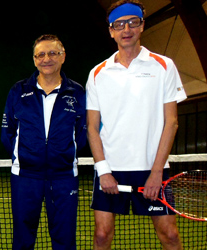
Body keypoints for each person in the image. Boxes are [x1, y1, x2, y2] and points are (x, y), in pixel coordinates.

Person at [86, 1, 187, 249]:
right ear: (111, 31)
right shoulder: (98, 73)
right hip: (111, 169)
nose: (126, 29)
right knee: (101, 235)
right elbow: (92, 127)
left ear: (142, 26)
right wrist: (103, 170)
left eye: (133, 22)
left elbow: (171, 122)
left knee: (170, 236)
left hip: (153, 169)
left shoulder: (164, 66)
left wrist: (156, 172)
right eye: (119, 24)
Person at [1, 34, 86, 250]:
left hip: (64, 177)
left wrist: (63, 154)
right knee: (22, 238)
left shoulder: (77, 93)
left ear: (63, 56)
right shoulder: (18, 91)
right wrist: (27, 156)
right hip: (25, 177)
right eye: (40, 55)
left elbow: (83, 133)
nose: (46, 59)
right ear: (34, 59)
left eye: (52, 53)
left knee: (64, 239)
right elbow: (7, 132)